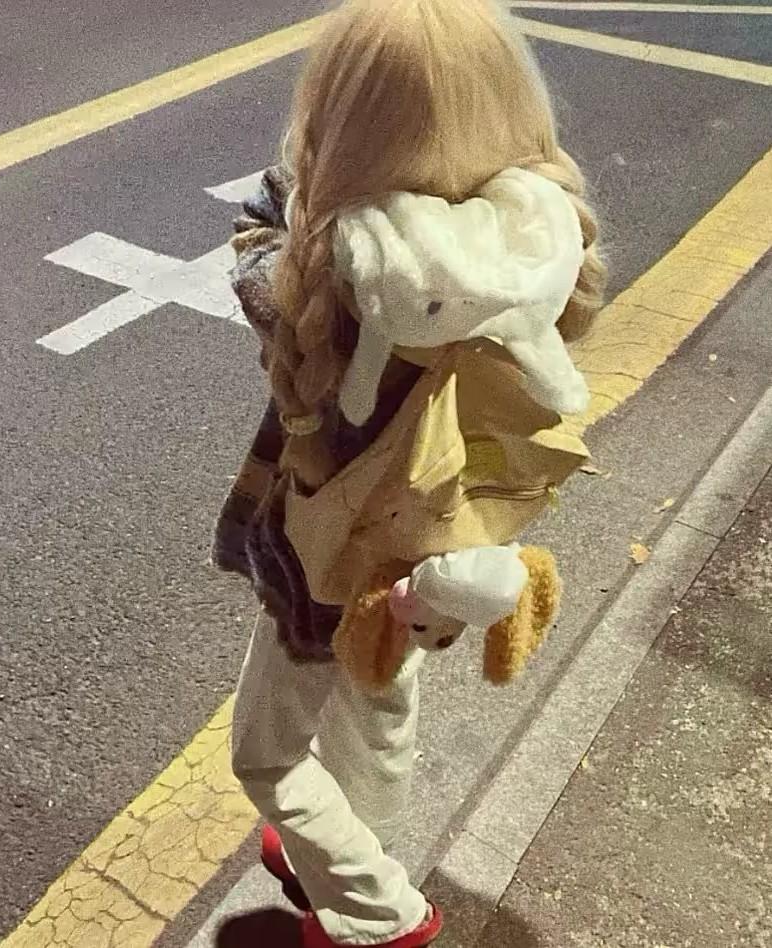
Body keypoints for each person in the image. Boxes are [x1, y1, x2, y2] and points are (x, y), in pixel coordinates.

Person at [212, 0, 607, 944]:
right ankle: (344, 847)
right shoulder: (534, 237)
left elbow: (258, 251)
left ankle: (373, 912)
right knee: (377, 700)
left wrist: (317, 175)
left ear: (342, 121)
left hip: (326, 555)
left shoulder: (342, 267)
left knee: (266, 756)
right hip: (432, 541)